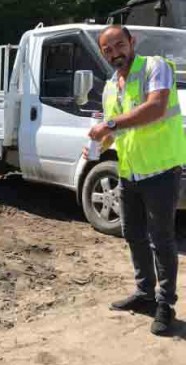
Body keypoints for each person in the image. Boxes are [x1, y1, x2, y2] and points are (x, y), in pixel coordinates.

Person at [85, 25, 186, 336]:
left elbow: (156, 108)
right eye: (108, 49)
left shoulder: (155, 67)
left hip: (160, 170)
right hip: (129, 172)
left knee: (162, 239)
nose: (116, 53)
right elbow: (114, 132)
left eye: (119, 44)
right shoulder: (109, 87)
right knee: (133, 234)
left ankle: (165, 305)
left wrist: (111, 123)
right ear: (103, 53)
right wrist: (98, 142)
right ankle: (144, 293)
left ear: (132, 42)